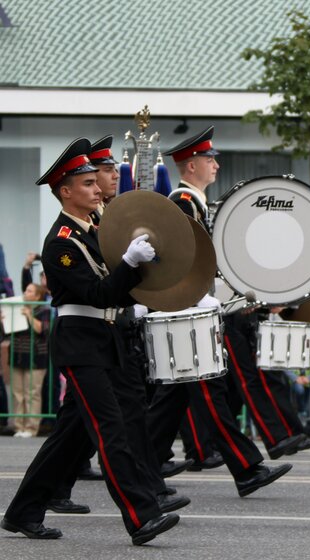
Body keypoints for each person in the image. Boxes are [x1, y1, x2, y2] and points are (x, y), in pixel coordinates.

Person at [1, 138, 178, 545]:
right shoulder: (61, 243)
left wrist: (147, 294)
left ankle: (23, 511)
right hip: (82, 344)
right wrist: (130, 265)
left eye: (94, 182)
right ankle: (141, 516)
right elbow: (98, 293)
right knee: (111, 430)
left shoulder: (99, 227)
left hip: (107, 339)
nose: (97, 188)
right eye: (86, 183)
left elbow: (117, 289)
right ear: (65, 192)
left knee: (71, 437)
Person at [146, 127, 294, 496]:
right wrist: (199, 298)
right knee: (208, 393)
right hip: (190, 311)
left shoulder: (196, 202)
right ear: (191, 164)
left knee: (176, 398)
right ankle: (246, 469)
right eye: (210, 159)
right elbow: (184, 258)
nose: (216, 164)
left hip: (199, 308)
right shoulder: (183, 201)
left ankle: (143, 468)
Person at [9, 283, 50, 437]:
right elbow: (7, 332)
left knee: (32, 393)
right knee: (17, 393)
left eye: (29, 291)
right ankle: (19, 427)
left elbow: (42, 330)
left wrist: (29, 315)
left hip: (35, 358)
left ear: (37, 296)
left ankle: (31, 428)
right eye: (25, 290)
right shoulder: (17, 308)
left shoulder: (44, 310)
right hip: (17, 356)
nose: (25, 293)